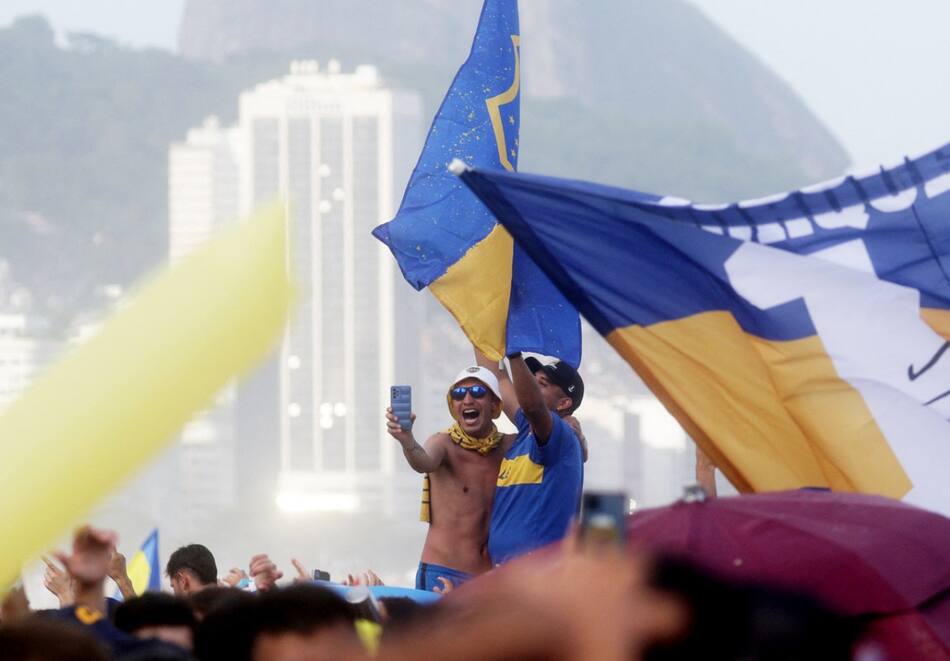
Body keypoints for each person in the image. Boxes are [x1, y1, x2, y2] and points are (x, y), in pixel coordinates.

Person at [385, 366, 512, 591]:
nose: (468, 399)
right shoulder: (443, 443)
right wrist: (407, 440)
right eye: (459, 394)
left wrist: (571, 425)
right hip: (442, 571)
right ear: (453, 406)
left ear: (494, 405)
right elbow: (422, 462)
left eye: (477, 392)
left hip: (486, 577)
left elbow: (547, 437)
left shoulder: (509, 446)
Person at [476, 351, 585, 564]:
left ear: (563, 404)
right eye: (532, 380)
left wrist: (514, 355)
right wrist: (480, 326)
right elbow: (498, 377)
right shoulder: (527, 428)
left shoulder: (562, 435)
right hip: (509, 574)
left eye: (541, 384)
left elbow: (533, 406)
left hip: (538, 575)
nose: (530, 386)